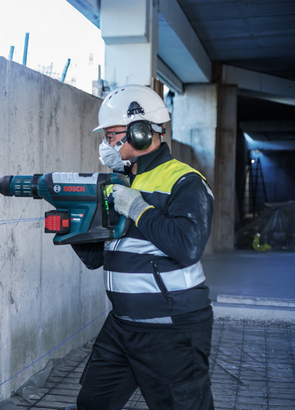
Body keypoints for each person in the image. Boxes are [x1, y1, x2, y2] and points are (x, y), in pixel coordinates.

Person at [70, 84, 215, 410]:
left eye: (112, 135)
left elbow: (188, 246)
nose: (107, 144)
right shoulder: (120, 182)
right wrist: (72, 223)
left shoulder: (185, 181)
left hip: (171, 329)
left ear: (140, 132)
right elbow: (96, 257)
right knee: (92, 403)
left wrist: (138, 209)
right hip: (123, 324)